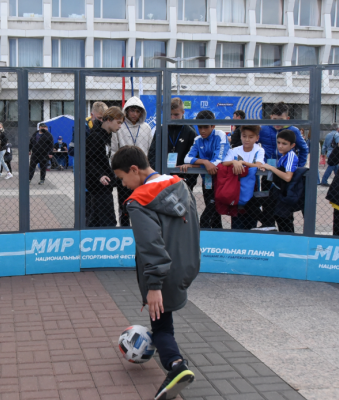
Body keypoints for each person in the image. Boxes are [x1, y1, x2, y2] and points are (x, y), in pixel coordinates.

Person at [111, 145, 199, 400]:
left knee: (161, 327)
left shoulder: (138, 202)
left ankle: (176, 366)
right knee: (164, 322)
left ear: (134, 169)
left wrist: (153, 287)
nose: (123, 184)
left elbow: (151, 246)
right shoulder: (180, 184)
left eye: (122, 178)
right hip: (186, 266)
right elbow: (194, 228)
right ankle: (175, 362)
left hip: (163, 275)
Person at [257, 102, 308, 229]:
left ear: (287, 119)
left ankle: (286, 232)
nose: (277, 123)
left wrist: (297, 168)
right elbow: (253, 144)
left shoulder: (293, 130)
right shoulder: (263, 129)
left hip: (285, 175)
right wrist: (259, 161)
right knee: (267, 204)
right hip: (268, 174)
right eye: (275, 119)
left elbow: (303, 149)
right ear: (270, 117)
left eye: (281, 120)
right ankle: (269, 228)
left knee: (284, 209)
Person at [182, 110, 229, 229]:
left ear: (213, 126)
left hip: (221, 181)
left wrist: (195, 165)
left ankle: (204, 233)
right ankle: (216, 236)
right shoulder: (198, 139)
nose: (202, 130)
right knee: (215, 217)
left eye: (206, 127)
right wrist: (204, 162)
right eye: (200, 127)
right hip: (206, 180)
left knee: (206, 218)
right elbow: (187, 158)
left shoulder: (220, 135)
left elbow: (218, 161)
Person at [112, 96, 153, 226]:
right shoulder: (120, 127)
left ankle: (141, 228)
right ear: (126, 111)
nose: (134, 114)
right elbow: (113, 149)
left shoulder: (146, 128)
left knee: (141, 204)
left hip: (141, 173)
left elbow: (150, 150)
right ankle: (124, 229)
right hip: (125, 172)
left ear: (142, 112)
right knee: (124, 204)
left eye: (137, 111)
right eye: (132, 110)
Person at [148, 97, 198, 191]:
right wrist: (157, 176)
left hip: (183, 180)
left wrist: (189, 181)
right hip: (163, 178)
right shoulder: (161, 130)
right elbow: (152, 154)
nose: (172, 117)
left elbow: (195, 157)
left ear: (183, 112)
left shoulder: (190, 131)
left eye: (176, 114)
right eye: (169, 114)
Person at [86, 107, 124, 227]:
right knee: (108, 220)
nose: (120, 126)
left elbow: (102, 159)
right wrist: (100, 175)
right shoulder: (96, 137)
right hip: (99, 184)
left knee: (96, 220)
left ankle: (90, 235)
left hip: (103, 183)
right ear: (108, 120)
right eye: (118, 122)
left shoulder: (106, 135)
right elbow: (88, 160)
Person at [221, 125, 265, 230]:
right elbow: (224, 163)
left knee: (251, 225)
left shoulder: (259, 150)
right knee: (237, 224)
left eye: (251, 137)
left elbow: (258, 165)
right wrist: (234, 162)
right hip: (236, 190)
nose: (247, 139)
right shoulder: (234, 150)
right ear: (240, 136)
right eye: (244, 136)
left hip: (253, 190)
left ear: (257, 138)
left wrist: (242, 163)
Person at [260, 130, 299, 232]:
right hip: (279, 193)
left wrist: (271, 168)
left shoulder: (290, 155)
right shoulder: (284, 156)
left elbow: (287, 177)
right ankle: (268, 224)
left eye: (284, 144)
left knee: (285, 223)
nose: (280, 146)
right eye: (279, 143)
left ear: (292, 145)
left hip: (285, 194)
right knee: (280, 219)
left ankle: (287, 239)